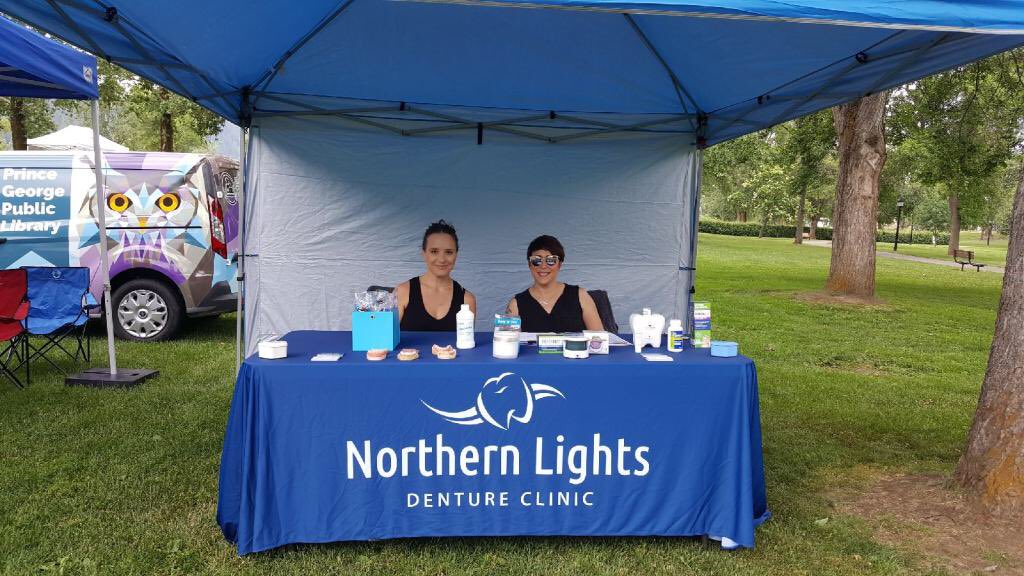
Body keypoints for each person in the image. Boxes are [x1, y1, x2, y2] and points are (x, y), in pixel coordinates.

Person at [506, 235, 603, 333]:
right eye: (536, 260)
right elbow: (507, 343)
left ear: (559, 264)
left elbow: (600, 340)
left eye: (551, 260)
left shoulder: (580, 296)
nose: (543, 266)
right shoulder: (516, 304)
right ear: (529, 264)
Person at [395, 220, 477, 331]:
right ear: (424, 254)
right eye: (434, 251)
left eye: (448, 252)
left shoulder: (467, 300)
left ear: (456, 255)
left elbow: (467, 344)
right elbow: (385, 341)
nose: (442, 259)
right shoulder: (402, 292)